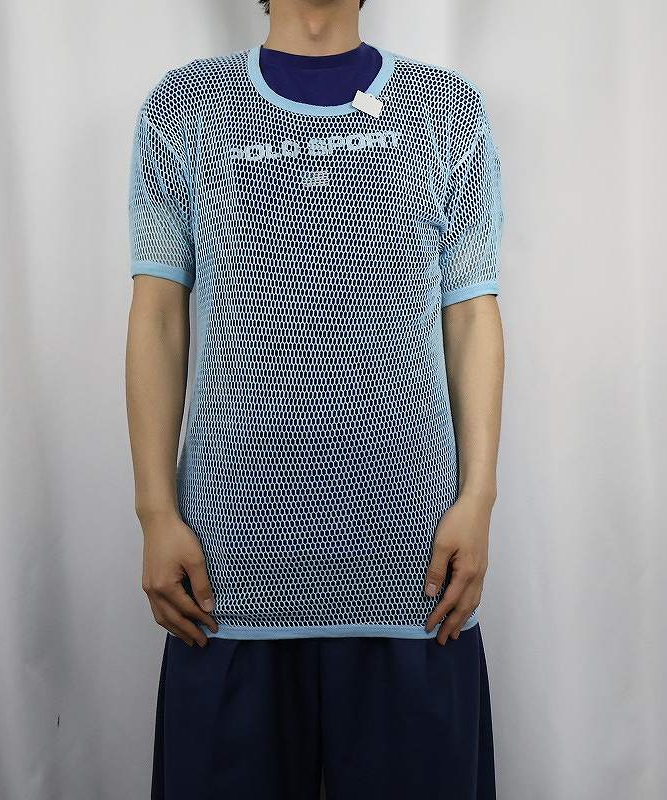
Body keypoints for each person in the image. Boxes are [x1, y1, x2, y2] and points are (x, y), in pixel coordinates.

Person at [125, 0, 505, 797]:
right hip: (229, 568)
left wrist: (478, 500)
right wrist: (156, 512)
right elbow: (158, 314)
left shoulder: (446, 110)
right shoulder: (184, 108)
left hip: (413, 566)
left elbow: (471, 312)